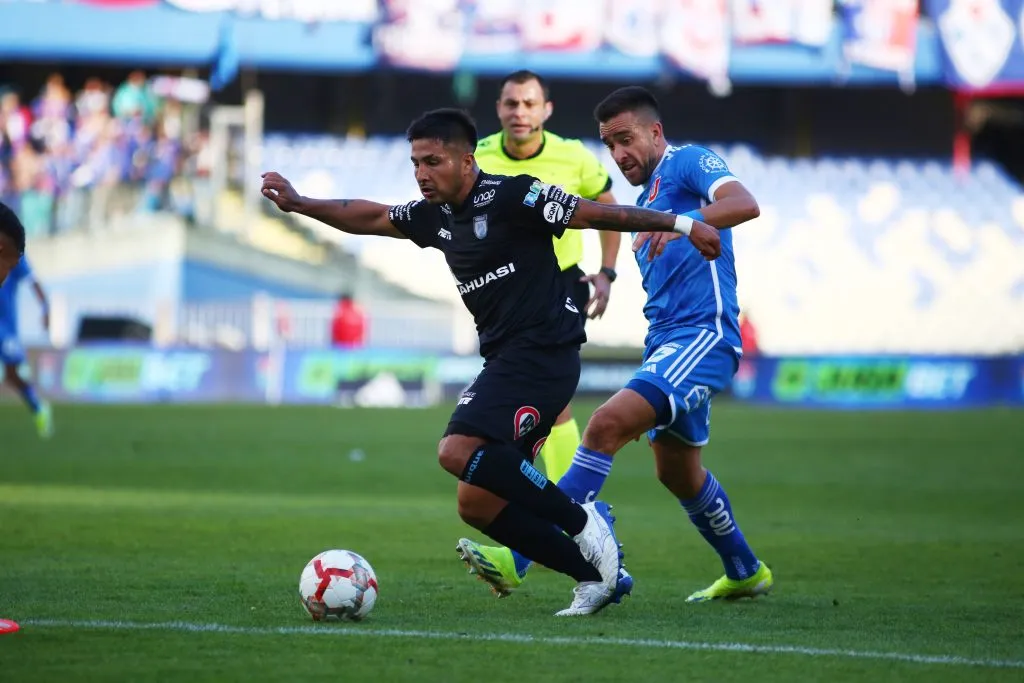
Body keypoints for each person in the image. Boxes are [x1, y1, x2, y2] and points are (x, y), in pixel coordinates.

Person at [261, 108, 721, 615]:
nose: (421, 173)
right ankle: (595, 578)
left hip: (543, 354)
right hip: (509, 359)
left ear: (466, 159)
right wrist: (301, 204)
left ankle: (583, 520)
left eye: (432, 161)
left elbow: (594, 213)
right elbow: (370, 216)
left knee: (455, 449)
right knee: (475, 504)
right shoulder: (435, 216)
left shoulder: (514, 195)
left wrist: (681, 223)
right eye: (415, 162)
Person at [459, 87, 773, 603]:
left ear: (655, 131)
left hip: (704, 336)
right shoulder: (643, 203)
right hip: (665, 341)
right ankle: (745, 570)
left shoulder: (688, 162)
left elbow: (744, 203)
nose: (620, 154)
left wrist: (687, 225)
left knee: (603, 425)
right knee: (679, 473)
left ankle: (517, 559)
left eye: (627, 139)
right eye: (610, 144)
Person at [475, 70, 621, 484]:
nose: (519, 111)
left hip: (560, 286)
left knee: (554, 402)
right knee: (511, 401)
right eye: (511, 103)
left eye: (529, 103)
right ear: (499, 108)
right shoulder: (478, 158)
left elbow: (607, 210)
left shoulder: (573, 156)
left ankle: (570, 506)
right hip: (500, 291)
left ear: (546, 109)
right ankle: (545, 512)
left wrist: (607, 272)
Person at [0, 200, 53, 438]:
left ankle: (38, 408)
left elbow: (33, 281)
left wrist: (46, 308)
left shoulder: (14, 254)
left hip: (5, 324)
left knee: (12, 375)